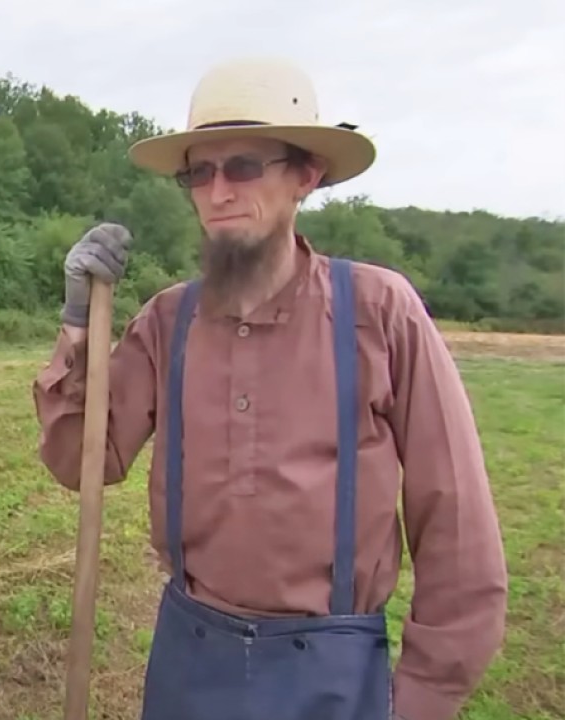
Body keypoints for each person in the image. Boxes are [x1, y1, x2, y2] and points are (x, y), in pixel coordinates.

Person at [32, 57, 507, 720]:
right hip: (188, 659)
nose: (218, 191)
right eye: (200, 172)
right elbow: (82, 460)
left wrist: (424, 695)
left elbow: (456, 522)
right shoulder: (170, 321)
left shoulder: (379, 310)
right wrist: (78, 325)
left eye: (244, 167)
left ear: (305, 176)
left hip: (333, 672)